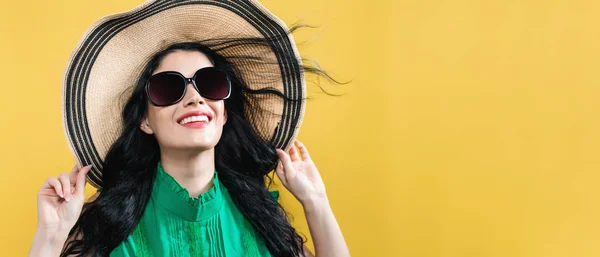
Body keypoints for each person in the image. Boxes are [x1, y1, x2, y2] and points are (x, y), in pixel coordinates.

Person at [28, 1, 350, 257]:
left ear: (222, 113)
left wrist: (316, 202)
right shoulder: (105, 224)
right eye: (169, 88)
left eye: (209, 84)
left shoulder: (263, 217)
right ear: (144, 120)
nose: (195, 98)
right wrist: (51, 235)